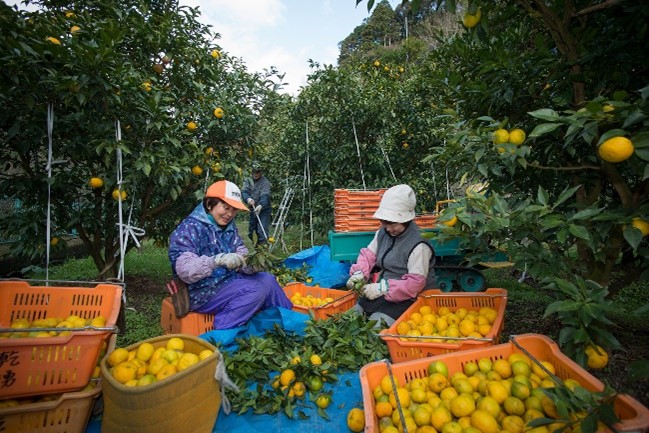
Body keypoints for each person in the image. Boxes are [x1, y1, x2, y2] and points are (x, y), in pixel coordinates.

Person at [168, 180, 292, 329]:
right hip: (202, 292)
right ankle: (222, 330)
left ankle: (286, 321)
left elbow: (240, 251)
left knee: (268, 280)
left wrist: (251, 264)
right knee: (255, 291)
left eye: (234, 210)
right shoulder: (190, 228)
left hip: (227, 281)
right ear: (209, 204)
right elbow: (185, 270)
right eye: (226, 208)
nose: (230, 214)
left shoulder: (228, 226)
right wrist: (215, 261)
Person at [346, 184, 436, 327]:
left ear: (405, 220)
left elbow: (415, 284)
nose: (388, 228)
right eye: (384, 223)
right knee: (351, 317)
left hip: (411, 297)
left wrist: (383, 288)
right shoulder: (383, 233)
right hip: (384, 292)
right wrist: (359, 273)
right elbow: (368, 255)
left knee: (376, 325)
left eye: (392, 224)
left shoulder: (419, 244)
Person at [241, 161, 272, 245]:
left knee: (262, 230)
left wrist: (261, 205)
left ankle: (263, 249)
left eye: (257, 172)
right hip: (253, 207)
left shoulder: (265, 182)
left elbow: (265, 195)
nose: (256, 174)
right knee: (252, 229)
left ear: (261, 172)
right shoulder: (248, 180)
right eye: (254, 172)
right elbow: (244, 192)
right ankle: (251, 248)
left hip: (263, 209)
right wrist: (248, 199)